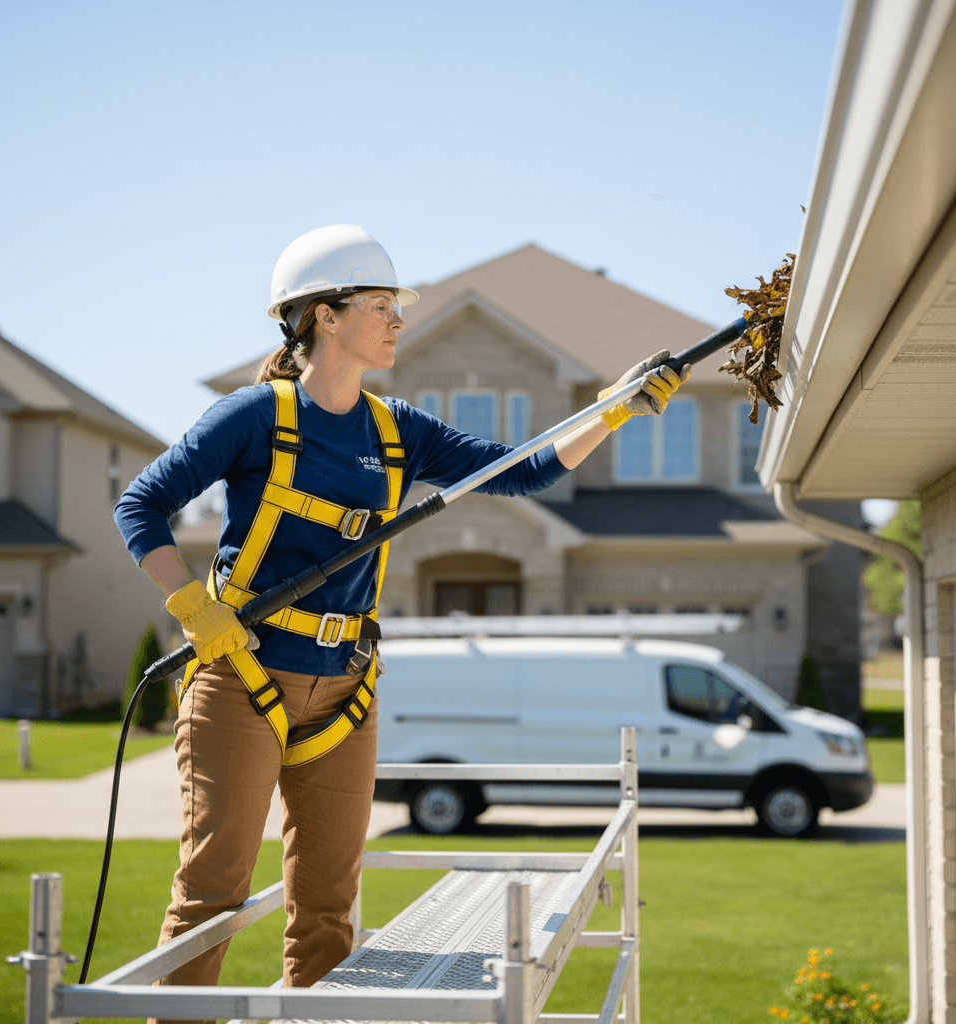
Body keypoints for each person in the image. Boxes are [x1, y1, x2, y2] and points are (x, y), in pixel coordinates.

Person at [113, 224, 689, 1012]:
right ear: (325, 315)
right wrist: (191, 603)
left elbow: (520, 473)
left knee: (328, 904)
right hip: (243, 679)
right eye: (381, 305)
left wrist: (611, 411)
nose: (397, 320)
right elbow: (141, 503)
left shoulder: (397, 430)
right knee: (213, 891)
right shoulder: (253, 417)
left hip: (345, 691)